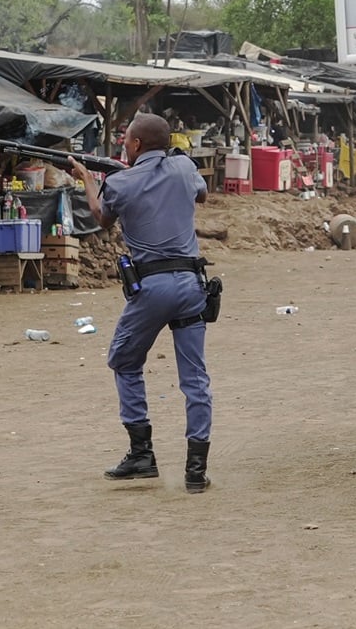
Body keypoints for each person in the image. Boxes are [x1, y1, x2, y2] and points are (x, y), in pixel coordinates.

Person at [68, 113, 214, 493]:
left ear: (135, 145)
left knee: (125, 361)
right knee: (195, 379)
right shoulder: (183, 166)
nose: (123, 145)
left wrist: (87, 179)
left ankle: (142, 454)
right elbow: (201, 193)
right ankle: (196, 470)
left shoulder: (120, 181)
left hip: (152, 287)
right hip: (191, 283)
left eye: (126, 140)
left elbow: (101, 218)